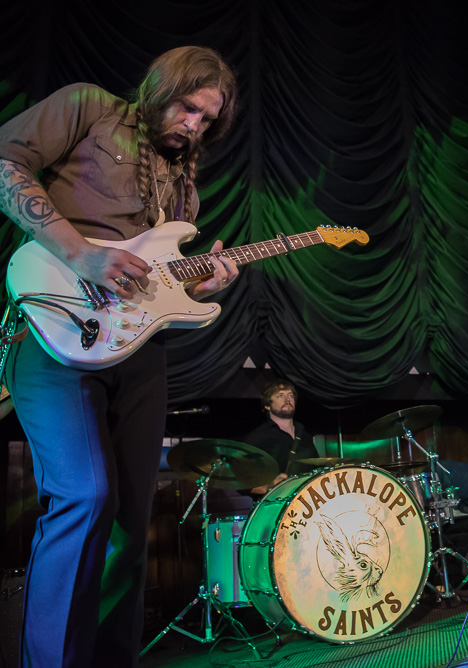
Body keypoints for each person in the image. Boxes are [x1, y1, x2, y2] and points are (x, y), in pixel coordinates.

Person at [0, 46, 239, 666]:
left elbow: (153, 286)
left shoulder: (183, 188)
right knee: (84, 494)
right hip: (53, 331)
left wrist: (197, 285)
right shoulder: (89, 107)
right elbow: (4, 162)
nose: (194, 125)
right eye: (189, 107)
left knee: (132, 522)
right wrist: (82, 253)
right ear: (162, 87)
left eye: (207, 120)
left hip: (137, 355)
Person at [242, 379, 317, 498]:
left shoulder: (304, 434)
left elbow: (317, 468)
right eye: (280, 395)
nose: (287, 399)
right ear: (267, 405)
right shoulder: (258, 437)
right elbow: (242, 483)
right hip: (274, 506)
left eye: (291, 395)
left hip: (306, 504)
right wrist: (269, 486)